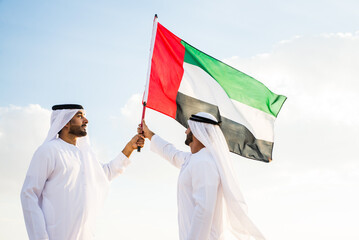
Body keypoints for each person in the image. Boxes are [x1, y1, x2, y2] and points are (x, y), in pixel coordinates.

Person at [21, 104, 144, 240]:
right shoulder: (48, 151)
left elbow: (104, 174)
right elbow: (29, 194)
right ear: (66, 122)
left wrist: (129, 148)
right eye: (80, 116)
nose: (86, 121)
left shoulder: (85, 154)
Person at [140, 112, 265, 240]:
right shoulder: (194, 159)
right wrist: (149, 134)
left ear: (196, 131)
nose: (186, 131)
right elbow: (171, 153)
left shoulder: (204, 162)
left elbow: (204, 209)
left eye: (188, 127)